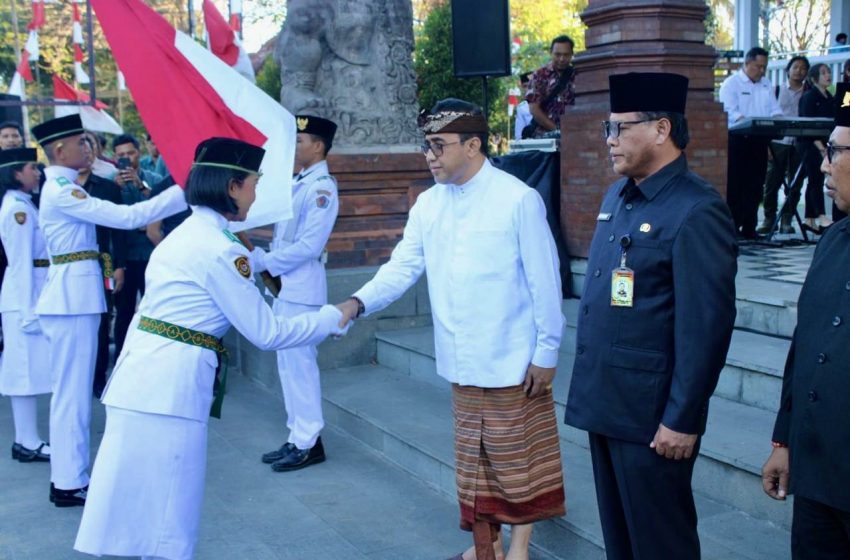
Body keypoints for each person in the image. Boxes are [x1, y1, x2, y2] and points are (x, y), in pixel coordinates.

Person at [74, 137, 347, 560]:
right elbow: (267, 332)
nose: (258, 193)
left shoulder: (193, 232)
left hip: (144, 381)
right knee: (169, 515)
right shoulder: (220, 249)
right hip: (169, 389)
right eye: (254, 183)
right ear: (232, 186)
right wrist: (334, 316)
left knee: (144, 513)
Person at [336, 99, 566, 560]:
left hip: (513, 360)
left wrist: (547, 352)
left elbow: (547, 283)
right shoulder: (428, 204)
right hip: (462, 360)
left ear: (474, 145)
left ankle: (519, 549)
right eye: (428, 147)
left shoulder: (517, 198)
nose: (431, 156)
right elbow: (402, 267)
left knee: (517, 461)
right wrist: (358, 301)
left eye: (440, 146)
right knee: (475, 465)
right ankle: (486, 549)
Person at [564, 73, 738, 559]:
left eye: (621, 128)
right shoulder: (618, 197)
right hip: (610, 404)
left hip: (653, 419)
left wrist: (682, 418)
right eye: (607, 128)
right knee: (622, 543)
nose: (610, 140)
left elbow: (706, 328)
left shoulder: (696, 210)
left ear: (662, 130)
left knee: (661, 545)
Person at [30, 114, 189, 507]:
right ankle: (68, 480)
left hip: (75, 297)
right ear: (59, 150)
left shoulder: (64, 185)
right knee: (71, 394)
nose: (87, 148)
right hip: (70, 300)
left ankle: (70, 476)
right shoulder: (62, 189)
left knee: (74, 392)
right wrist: (184, 187)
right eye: (79, 143)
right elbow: (127, 217)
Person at [762, 82, 850, 560]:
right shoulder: (832, 242)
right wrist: (784, 440)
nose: (822, 164)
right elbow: (806, 347)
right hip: (818, 476)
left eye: (833, 152)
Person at [253, 115, 340, 472]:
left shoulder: (322, 188)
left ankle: (309, 442)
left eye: (301, 140)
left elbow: (308, 245)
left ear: (318, 146)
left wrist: (264, 261)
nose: (296, 147)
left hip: (303, 288)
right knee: (288, 366)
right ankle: (297, 436)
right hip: (287, 287)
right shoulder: (300, 181)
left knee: (300, 366)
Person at [0, 147, 51, 463]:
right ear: (17, 172)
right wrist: (28, 310)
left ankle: (26, 439)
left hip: (26, 297)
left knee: (26, 370)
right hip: (22, 300)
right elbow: (20, 264)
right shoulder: (16, 210)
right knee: (22, 371)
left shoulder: (21, 205)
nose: (37, 171)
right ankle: (27, 441)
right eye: (32, 167)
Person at [77, 132, 128, 398]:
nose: (85, 154)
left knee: (101, 320)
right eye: (80, 149)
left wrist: (120, 265)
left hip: (103, 264)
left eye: (89, 149)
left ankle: (98, 378)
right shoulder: (63, 188)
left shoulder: (108, 188)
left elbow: (118, 231)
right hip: (71, 268)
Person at [719, 46, 783, 238]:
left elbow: (775, 110)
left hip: (759, 141)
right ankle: (733, 226)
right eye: (758, 66)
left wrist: (776, 120)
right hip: (738, 140)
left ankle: (750, 227)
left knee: (756, 185)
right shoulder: (731, 84)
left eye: (764, 67)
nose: (762, 71)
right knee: (737, 185)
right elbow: (730, 112)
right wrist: (749, 121)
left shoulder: (766, 84)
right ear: (747, 64)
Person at [111, 134, 164, 360]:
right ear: (115, 158)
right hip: (125, 257)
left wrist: (140, 185)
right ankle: (122, 358)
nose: (126, 158)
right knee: (124, 312)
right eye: (121, 155)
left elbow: (161, 206)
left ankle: (156, 357)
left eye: (130, 153)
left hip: (152, 254)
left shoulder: (153, 178)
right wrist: (116, 189)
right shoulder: (111, 183)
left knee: (156, 309)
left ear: (138, 153)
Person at [757, 55, 810, 235]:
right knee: (772, 182)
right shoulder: (776, 90)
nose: (799, 71)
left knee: (795, 184)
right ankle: (769, 218)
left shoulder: (808, 92)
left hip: (798, 143)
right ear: (788, 70)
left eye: (803, 68)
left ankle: (787, 219)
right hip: (777, 142)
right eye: (795, 67)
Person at [797, 63, 835, 234]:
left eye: (829, 72)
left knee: (816, 180)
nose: (828, 76)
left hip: (825, 144)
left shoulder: (830, 96)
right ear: (814, 78)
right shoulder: (808, 97)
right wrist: (821, 148)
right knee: (815, 179)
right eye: (823, 73)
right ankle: (820, 215)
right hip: (809, 144)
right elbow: (808, 125)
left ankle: (809, 219)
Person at [525, 35, 576, 139]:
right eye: (557, 54)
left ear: (572, 55)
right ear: (550, 53)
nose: (561, 59)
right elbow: (534, 109)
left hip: (573, 136)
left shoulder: (577, 75)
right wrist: (557, 130)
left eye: (566, 55)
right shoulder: (539, 75)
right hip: (544, 137)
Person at [514, 72, 533, 141]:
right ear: (522, 87)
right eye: (525, 86)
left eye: (531, 86)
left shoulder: (549, 103)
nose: (528, 89)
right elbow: (519, 137)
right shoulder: (521, 108)